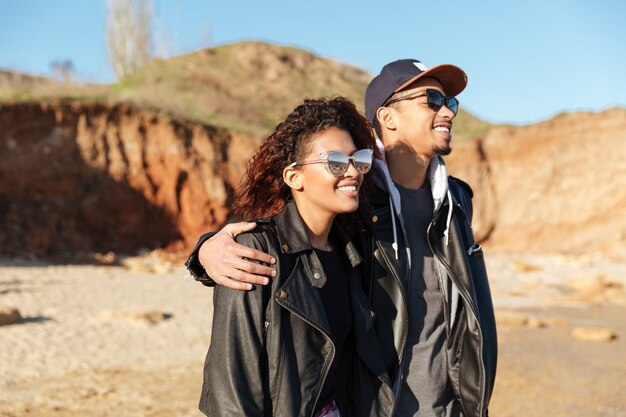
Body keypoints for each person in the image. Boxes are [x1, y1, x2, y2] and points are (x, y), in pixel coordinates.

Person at [187, 60, 497, 417]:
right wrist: (206, 251)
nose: (447, 112)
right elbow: (288, 234)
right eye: (431, 99)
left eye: (450, 103)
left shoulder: (457, 202)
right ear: (388, 117)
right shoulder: (359, 210)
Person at [197, 96, 392, 416]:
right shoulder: (253, 251)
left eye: (358, 159)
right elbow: (230, 391)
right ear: (294, 177)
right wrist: (205, 250)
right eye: (336, 161)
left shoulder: (351, 253)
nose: (353, 172)